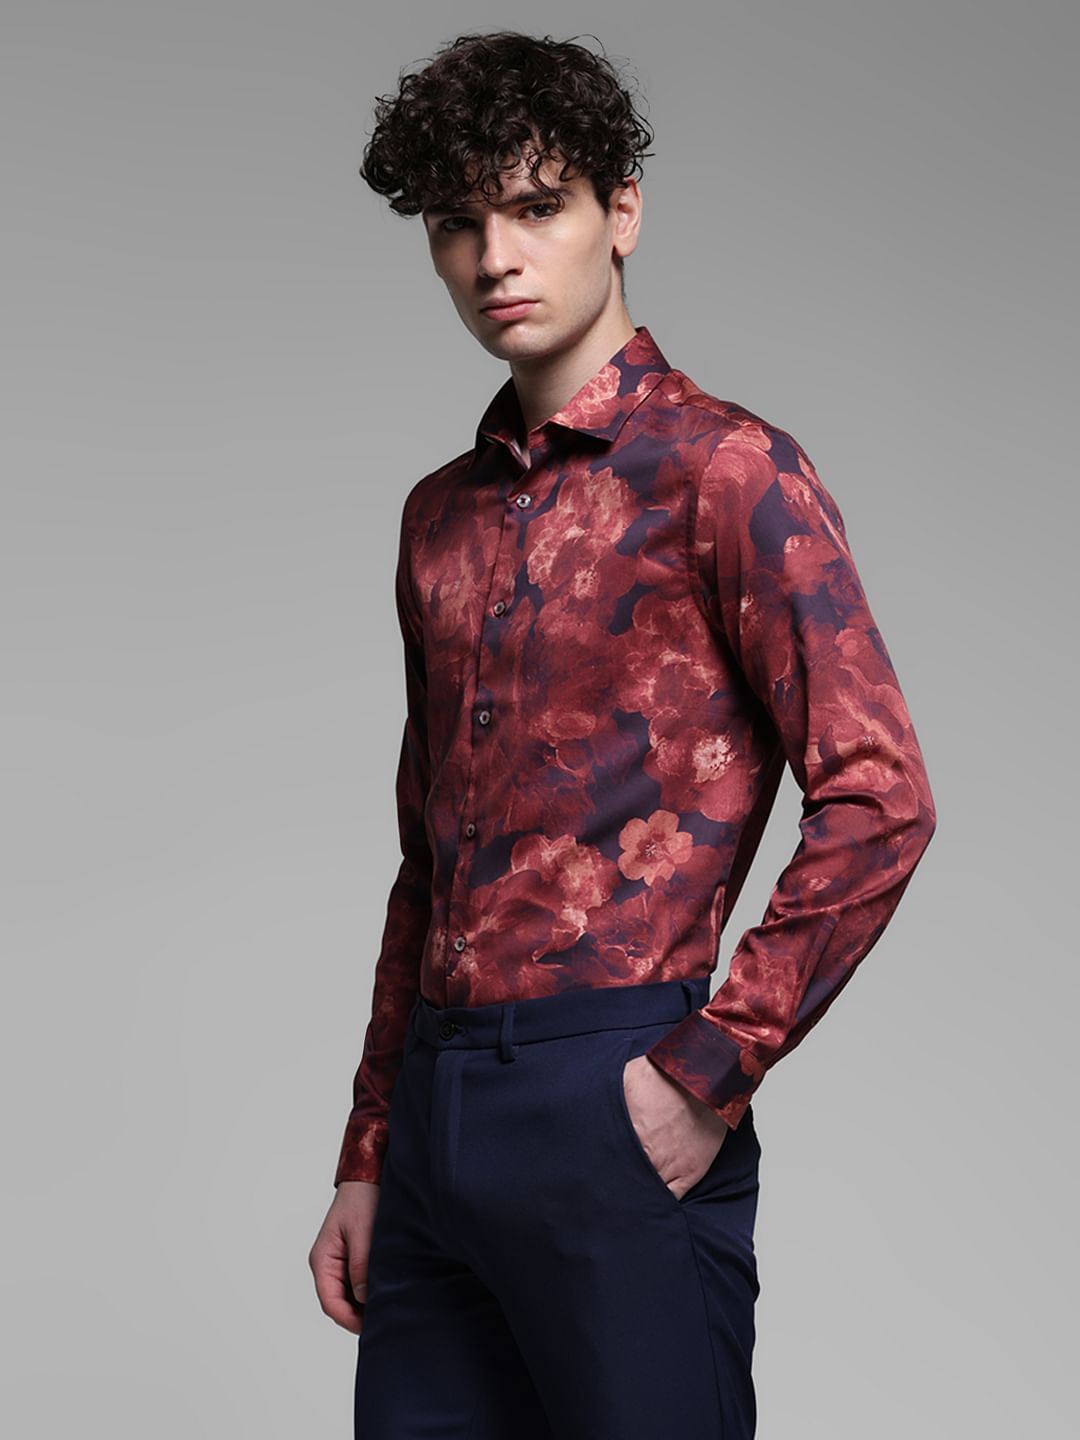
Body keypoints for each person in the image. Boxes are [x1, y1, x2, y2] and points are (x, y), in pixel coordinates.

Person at [309, 29, 937, 1440]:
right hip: (435, 1121)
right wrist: (371, 1148)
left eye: (536, 208)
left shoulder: (727, 472)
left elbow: (881, 797)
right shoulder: (438, 519)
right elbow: (429, 861)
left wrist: (710, 1071)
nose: (495, 258)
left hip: (614, 1090)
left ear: (622, 211)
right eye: (458, 223)